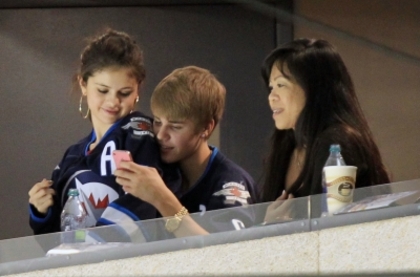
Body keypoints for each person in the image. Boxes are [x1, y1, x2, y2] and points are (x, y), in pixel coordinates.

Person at [28, 29, 180, 236]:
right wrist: (41, 210)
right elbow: (55, 238)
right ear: (83, 83)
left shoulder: (139, 133)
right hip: (78, 266)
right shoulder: (73, 154)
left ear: (138, 89)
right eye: (102, 90)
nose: (113, 102)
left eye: (124, 93)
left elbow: (142, 206)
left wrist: (94, 244)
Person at [114, 66, 258, 237]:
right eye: (158, 121)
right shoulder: (157, 167)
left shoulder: (230, 183)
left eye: (175, 127)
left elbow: (225, 255)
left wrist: (162, 198)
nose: (160, 135)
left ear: (206, 127)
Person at [259, 38, 390, 220]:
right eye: (271, 87)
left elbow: (334, 225)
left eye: (281, 85)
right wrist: (268, 225)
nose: (272, 97)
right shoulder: (285, 144)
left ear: (312, 88)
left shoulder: (337, 142)